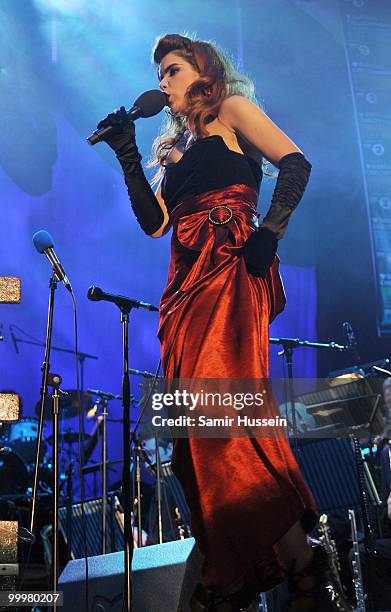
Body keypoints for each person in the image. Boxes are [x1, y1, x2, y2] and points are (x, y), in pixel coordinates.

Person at [98, 34, 330, 611]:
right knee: (200, 422)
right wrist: (128, 152)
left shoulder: (230, 110)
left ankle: (234, 576)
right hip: (184, 287)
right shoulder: (176, 148)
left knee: (222, 406)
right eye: (160, 73)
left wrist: (269, 234)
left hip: (230, 269)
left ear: (202, 70)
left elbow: (295, 164)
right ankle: (292, 557)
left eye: (172, 70)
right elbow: (154, 224)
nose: (164, 81)